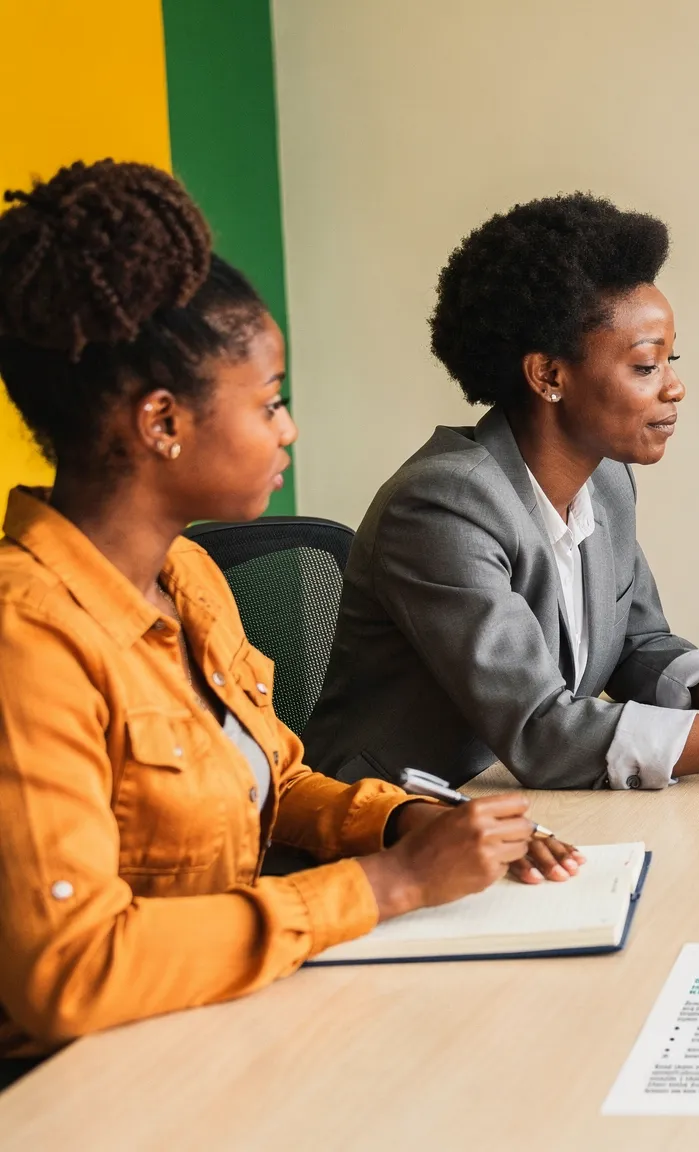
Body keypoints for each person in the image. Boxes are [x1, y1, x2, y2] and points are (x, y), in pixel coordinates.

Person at [0, 162, 569, 1073]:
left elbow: (268, 777)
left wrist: (403, 824)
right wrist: (388, 885)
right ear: (162, 422)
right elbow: (71, 967)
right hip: (72, 1080)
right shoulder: (26, 639)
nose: (288, 430)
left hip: (210, 1023)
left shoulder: (184, 575)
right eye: (270, 402)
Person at [305, 194, 699, 790]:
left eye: (672, 361)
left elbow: (637, 647)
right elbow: (544, 733)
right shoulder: (443, 507)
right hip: (390, 818)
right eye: (646, 365)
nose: (674, 387)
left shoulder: (606, 483)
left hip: (521, 807)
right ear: (549, 375)